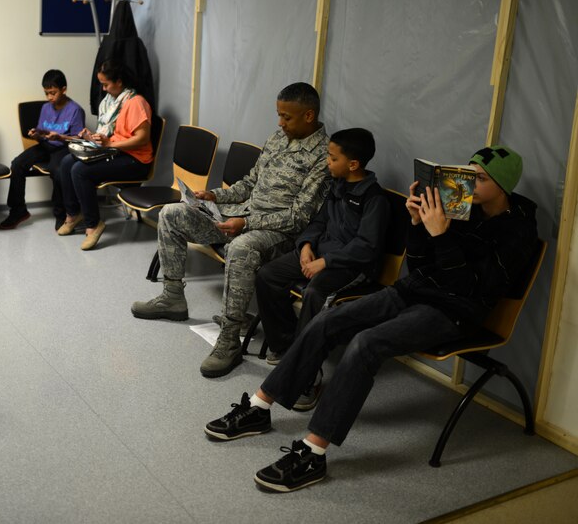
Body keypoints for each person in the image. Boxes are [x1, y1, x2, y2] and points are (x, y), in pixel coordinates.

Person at [203, 145, 537, 493]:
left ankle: (314, 453)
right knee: (328, 320)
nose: (467, 182)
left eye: (479, 178)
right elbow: (421, 266)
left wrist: (441, 234)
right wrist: (418, 226)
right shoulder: (464, 208)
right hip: (414, 290)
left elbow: (468, 289)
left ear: (503, 185)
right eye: (467, 174)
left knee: (366, 344)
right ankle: (259, 407)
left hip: (454, 312)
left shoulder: (519, 232)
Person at [131, 82, 330, 378]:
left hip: (279, 234)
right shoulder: (278, 138)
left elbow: (299, 216)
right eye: (278, 115)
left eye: (286, 117)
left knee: (240, 248)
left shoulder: (323, 157)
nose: (280, 122)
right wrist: (215, 196)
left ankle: (229, 339)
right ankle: (172, 297)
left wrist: (247, 224)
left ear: (309, 116)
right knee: (172, 213)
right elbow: (250, 183)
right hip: (241, 215)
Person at [255, 128, 389, 373]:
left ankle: (306, 370)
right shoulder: (336, 185)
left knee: (315, 293)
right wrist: (305, 245)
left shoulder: (373, 198)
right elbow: (319, 222)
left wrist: (326, 262)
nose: (327, 161)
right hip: (319, 253)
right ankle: (287, 346)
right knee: (267, 275)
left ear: (353, 164)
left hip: (350, 266)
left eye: (332, 158)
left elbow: (366, 247)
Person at [56, 60, 154, 250]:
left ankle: (93, 225)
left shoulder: (136, 103)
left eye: (106, 84)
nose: (103, 88)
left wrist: (110, 143)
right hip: (117, 151)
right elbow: (114, 136)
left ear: (119, 81)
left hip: (136, 161)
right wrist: (93, 138)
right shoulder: (114, 103)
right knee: (67, 161)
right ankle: (73, 214)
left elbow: (143, 138)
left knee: (80, 171)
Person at [1, 69, 86, 231]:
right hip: (46, 145)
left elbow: (80, 139)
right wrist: (36, 135)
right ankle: (18, 210)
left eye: (53, 93)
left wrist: (60, 137)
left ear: (64, 89)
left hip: (64, 148)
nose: (49, 97)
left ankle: (62, 214)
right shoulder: (46, 107)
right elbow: (43, 133)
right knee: (17, 164)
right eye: (46, 93)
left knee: (57, 170)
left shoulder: (75, 110)